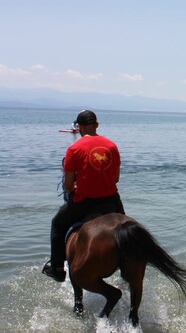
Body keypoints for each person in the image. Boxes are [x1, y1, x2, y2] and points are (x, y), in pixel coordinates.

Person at [42, 110, 125, 282]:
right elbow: (116, 178)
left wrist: (74, 187)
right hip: (111, 199)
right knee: (126, 230)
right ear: (97, 124)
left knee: (57, 224)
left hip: (85, 201)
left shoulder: (74, 149)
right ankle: (128, 262)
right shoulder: (112, 146)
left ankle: (57, 269)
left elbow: (67, 184)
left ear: (79, 127)